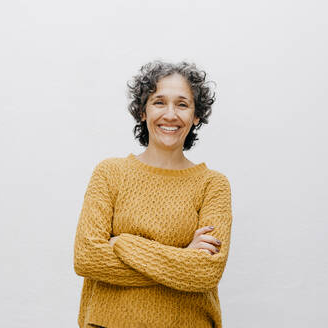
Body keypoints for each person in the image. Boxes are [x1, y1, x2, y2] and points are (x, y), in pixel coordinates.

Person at [73, 60, 233, 328]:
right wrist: (182, 257)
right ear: (142, 111)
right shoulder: (111, 173)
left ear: (196, 116)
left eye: (182, 104)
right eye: (159, 102)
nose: (170, 114)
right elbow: (87, 258)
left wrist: (123, 244)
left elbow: (205, 272)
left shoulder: (212, 185)